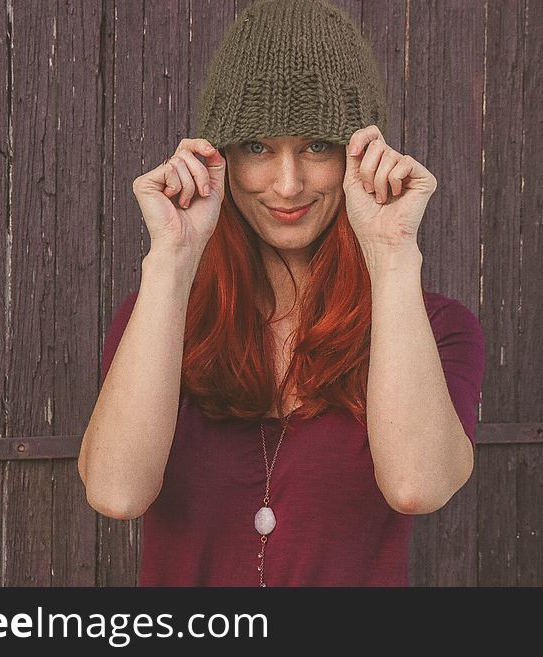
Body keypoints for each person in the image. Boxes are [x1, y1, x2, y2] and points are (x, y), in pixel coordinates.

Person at [78, 0, 485, 587]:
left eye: (317, 146)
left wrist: (393, 252)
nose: (288, 184)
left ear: (359, 156)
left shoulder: (438, 327)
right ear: (219, 157)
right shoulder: (158, 318)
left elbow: (418, 485)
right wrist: (170, 258)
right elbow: (116, 493)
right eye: (259, 148)